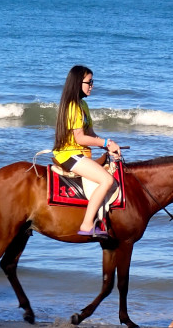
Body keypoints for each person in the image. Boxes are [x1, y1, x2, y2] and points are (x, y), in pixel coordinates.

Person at [52, 65, 122, 238]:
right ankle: (86, 224)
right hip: (69, 154)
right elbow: (80, 138)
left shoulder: (83, 105)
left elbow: (90, 134)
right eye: (89, 82)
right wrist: (105, 142)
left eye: (92, 82)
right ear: (78, 83)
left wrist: (108, 144)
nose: (92, 85)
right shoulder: (72, 107)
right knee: (106, 180)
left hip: (80, 153)